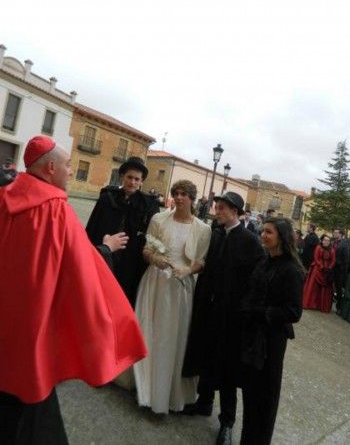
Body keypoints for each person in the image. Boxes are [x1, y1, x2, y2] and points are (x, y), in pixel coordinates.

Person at [0, 136, 147, 445]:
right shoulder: (56, 211)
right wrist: (106, 251)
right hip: (31, 332)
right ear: (51, 168)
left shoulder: (3, 198)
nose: (70, 171)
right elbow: (83, 274)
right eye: (68, 166)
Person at [182, 192, 264, 445]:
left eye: (222, 208)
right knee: (207, 356)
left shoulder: (250, 241)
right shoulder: (215, 234)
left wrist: (243, 309)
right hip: (210, 309)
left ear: (235, 212)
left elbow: (255, 281)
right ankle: (204, 402)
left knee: (228, 369)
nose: (216, 211)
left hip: (232, 316)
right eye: (217, 207)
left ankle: (227, 422)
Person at [134, 180, 211, 414]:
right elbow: (147, 250)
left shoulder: (203, 229)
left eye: (184, 194)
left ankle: (167, 391)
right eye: (176, 193)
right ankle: (144, 386)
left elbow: (201, 262)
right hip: (155, 282)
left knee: (172, 337)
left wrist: (188, 270)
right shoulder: (159, 220)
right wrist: (154, 259)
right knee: (150, 330)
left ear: (192, 198)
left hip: (180, 287)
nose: (179, 198)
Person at [239, 217, 304, 444]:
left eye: (269, 232)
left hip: (271, 341)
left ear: (282, 237)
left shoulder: (292, 270)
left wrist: (261, 312)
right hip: (252, 335)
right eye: (262, 230)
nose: (263, 235)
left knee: (265, 396)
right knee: (250, 393)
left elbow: (294, 312)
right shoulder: (265, 261)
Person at [86, 157, 159, 306]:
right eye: (129, 177)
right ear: (122, 177)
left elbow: (152, 234)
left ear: (141, 181)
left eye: (137, 179)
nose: (133, 182)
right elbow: (93, 226)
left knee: (124, 299)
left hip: (131, 261)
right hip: (106, 256)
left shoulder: (148, 205)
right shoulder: (107, 198)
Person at [303, 234, 335, 313]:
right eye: (325, 240)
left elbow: (333, 260)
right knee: (313, 288)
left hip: (327, 270)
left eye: (328, 240)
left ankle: (321, 305)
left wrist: (329, 268)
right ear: (322, 241)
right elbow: (316, 258)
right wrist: (322, 267)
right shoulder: (318, 247)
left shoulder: (332, 250)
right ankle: (311, 304)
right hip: (317, 269)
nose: (326, 242)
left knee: (325, 289)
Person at [332, 228, 350, 314]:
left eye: (336, 232)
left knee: (339, 290)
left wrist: (343, 272)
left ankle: (339, 308)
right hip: (333, 269)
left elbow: (346, 260)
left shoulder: (344, 244)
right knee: (332, 287)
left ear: (341, 234)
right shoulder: (334, 243)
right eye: (334, 232)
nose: (334, 233)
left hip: (340, 271)